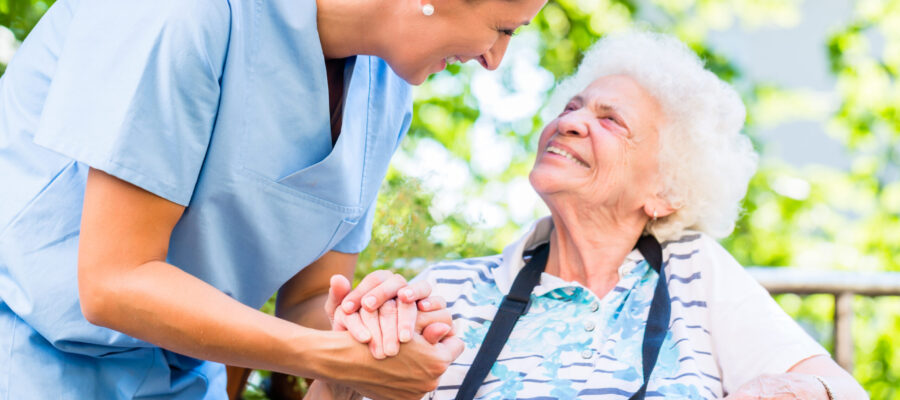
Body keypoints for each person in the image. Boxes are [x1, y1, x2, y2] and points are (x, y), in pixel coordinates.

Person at [0, 0, 548, 398]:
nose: (495, 59)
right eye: (503, 29)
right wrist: (332, 358)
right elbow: (113, 282)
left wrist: (376, 331)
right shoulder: (183, 13)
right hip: (25, 359)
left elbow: (309, 297)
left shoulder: (386, 95)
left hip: (180, 383)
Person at [313, 32, 869, 399]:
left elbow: (839, 390)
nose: (571, 122)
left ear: (664, 191)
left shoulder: (695, 273)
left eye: (612, 121)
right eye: (572, 107)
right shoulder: (445, 291)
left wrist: (779, 389)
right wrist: (347, 365)